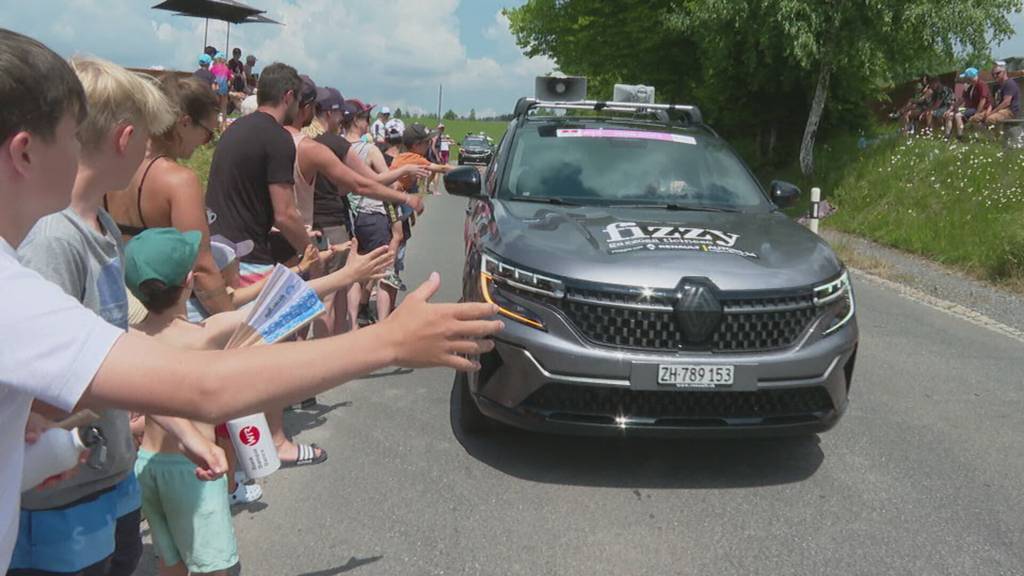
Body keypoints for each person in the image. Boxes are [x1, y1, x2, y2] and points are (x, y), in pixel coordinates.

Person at [0, 28, 500, 573]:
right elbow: (203, 383)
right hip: (63, 510)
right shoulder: (34, 263)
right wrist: (385, 342)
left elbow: (163, 347)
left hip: (99, 476)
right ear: (25, 152)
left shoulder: (84, 235)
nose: (84, 149)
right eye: (72, 136)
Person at [127, 226, 390, 576]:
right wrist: (348, 274)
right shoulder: (201, 334)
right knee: (214, 565)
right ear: (189, 281)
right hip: (192, 471)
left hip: (147, 465)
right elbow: (284, 302)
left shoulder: (129, 336)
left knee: (169, 560)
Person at [11, 55, 176, 576]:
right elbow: (35, 375)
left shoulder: (102, 223)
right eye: (148, 138)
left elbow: (111, 339)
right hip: (60, 487)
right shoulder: (53, 236)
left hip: (106, 471)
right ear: (126, 139)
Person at [105, 75, 235, 322]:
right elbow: (202, 268)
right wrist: (236, 326)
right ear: (185, 123)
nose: (206, 144)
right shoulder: (178, 181)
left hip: (119, 302)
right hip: (164, 314)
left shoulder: (116, 164)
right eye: (208, 134)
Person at [949, 67, 991, 140]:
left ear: (970, 77)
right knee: (951, 114)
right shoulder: (971, 86)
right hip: (971, 108)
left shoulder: (981, 85)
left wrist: (977, 113)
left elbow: (983, 100)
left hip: (977, 109)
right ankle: (948, 135)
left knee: (958, 115)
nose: (965, 79)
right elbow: (963, 99)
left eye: (966, 77)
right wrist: (953, 107)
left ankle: (960, 136)